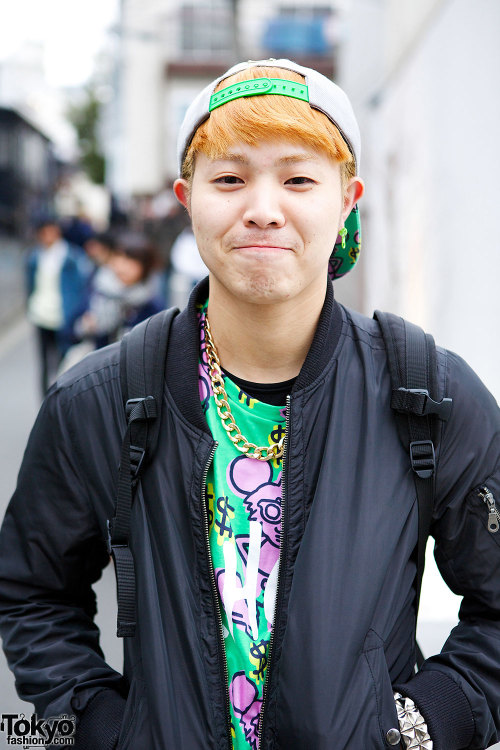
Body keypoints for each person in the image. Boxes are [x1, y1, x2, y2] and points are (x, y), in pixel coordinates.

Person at [0, 58, 499, 750]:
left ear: (348, 199)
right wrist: (99, 728)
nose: (263, 208)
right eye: (229, 179)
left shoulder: (428, 394)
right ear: (187, 198)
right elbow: (31, 594)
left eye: (298, 179)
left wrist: (427, 723)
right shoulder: (99, 400)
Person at [25, 217, 91, 394]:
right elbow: (31, 284)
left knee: (65, 361)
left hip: (65, 315)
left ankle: (62, 400)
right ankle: (45, 402)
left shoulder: (73, 256)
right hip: (40, 314)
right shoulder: (34, 257)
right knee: (45, 361)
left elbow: (82, 286)